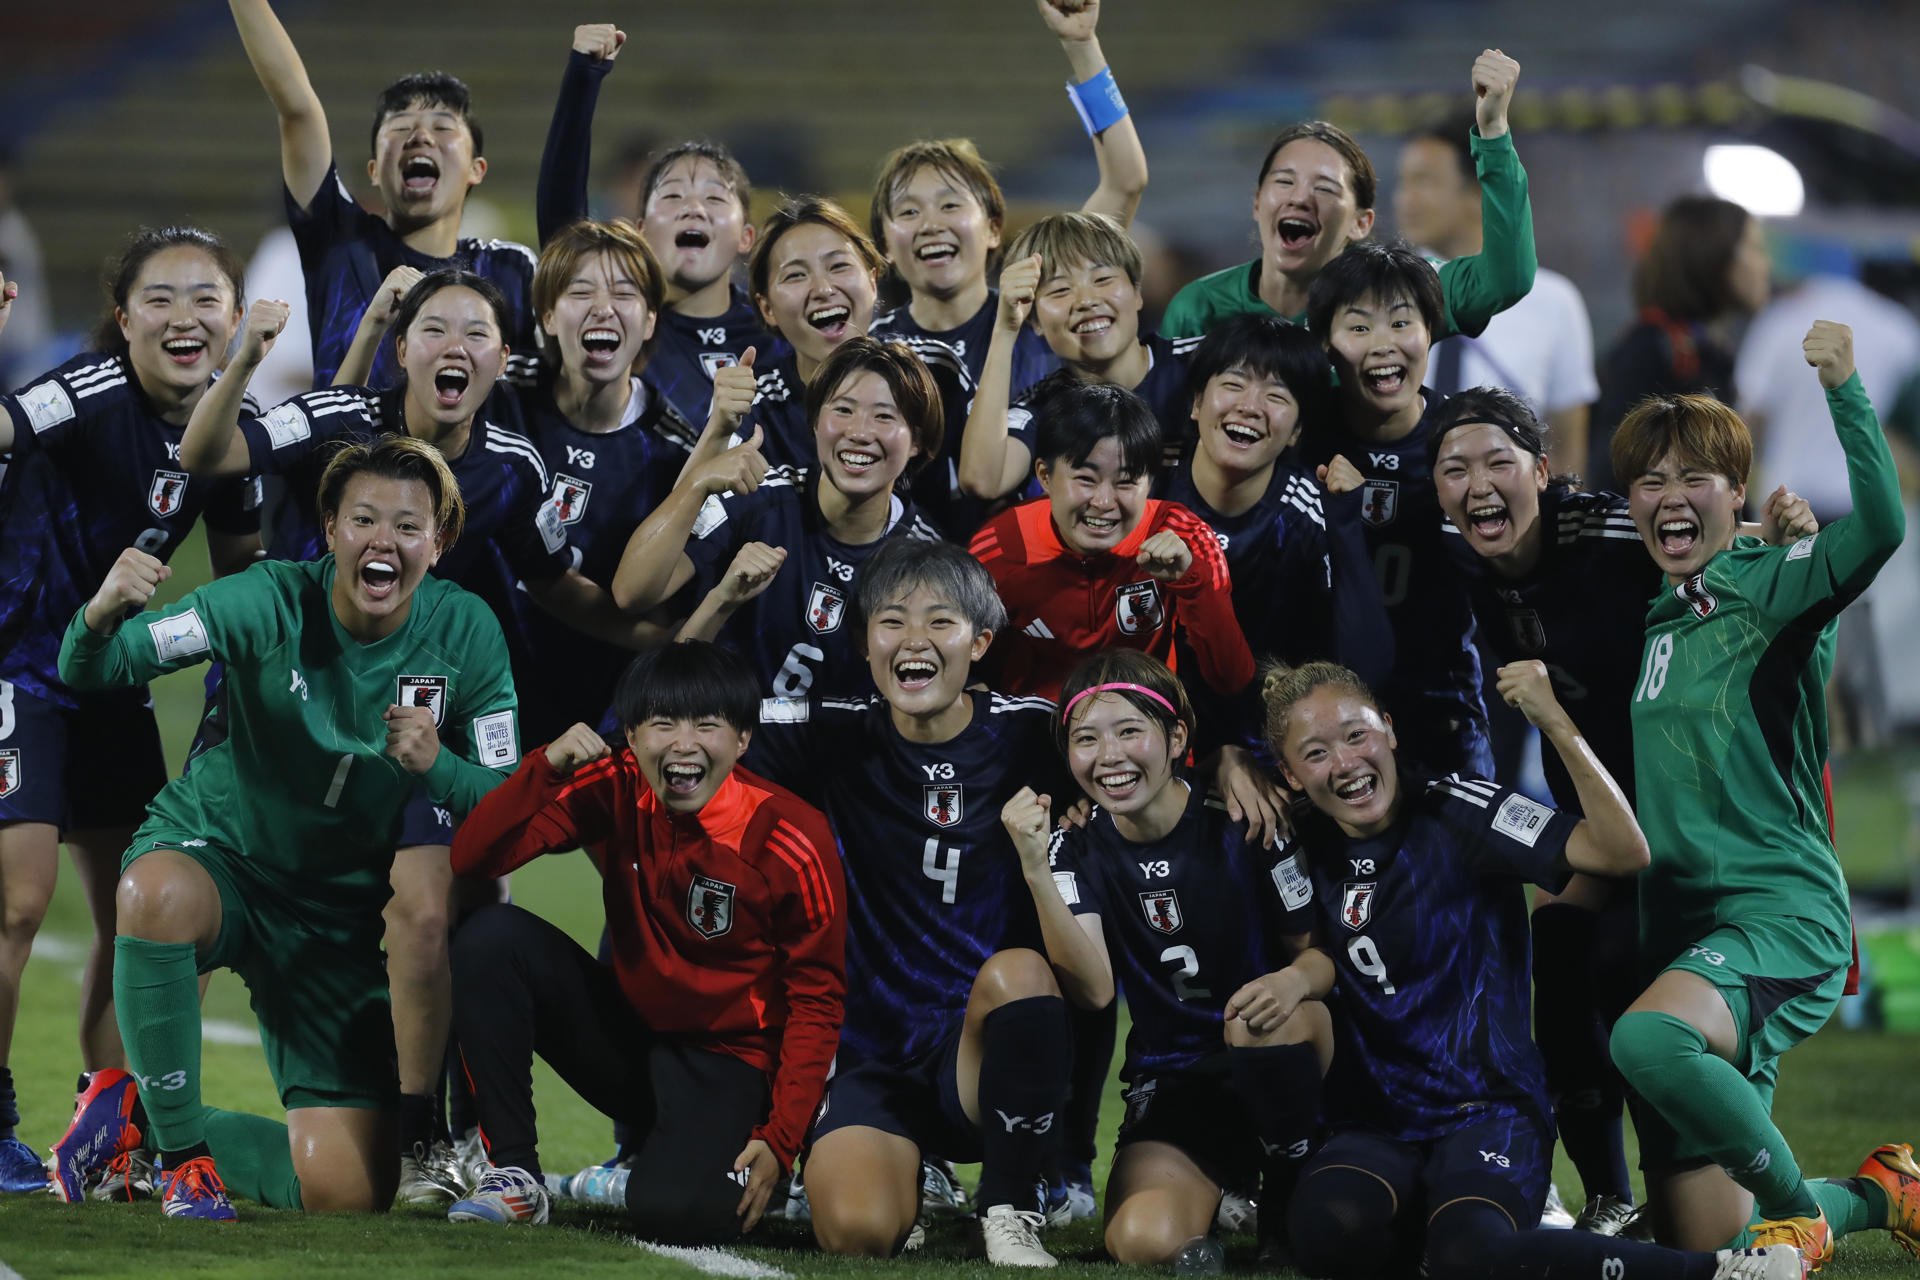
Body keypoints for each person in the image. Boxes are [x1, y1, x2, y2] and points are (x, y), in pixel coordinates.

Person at [178, 267, 655, 1205]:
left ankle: (427, 1134)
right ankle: (134, 1123)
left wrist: (672, 634)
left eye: (477, 333)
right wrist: (244, 360)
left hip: (416, 727)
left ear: (502, 359)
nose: (456, 347)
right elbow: (210, 454)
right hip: (287, 718)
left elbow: (562, 590)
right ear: (403, 348)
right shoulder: (331, 418)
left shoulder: (515, 469)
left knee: (443, 912)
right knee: (181, 908)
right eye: (435, 328)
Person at [44, 435, 518, 1221]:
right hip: (221, 858)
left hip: (332, 917)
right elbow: (97, 668)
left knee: (346, 1192)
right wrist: (97, 617)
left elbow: (502, 803)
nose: (384, 542)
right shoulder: (264, 599)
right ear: (329, 529)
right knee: (151, 892)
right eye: (363, 519)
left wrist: (437, 765)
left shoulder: (467, 634)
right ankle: (183, 1162)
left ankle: (135, 1122)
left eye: (408, 527)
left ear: (439, 545)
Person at [1263, 660, 1811, 1280]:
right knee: (1324, 1229)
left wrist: (1553, 719)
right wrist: (1230, 764)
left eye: (1356, 735)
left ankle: (1719, 1273)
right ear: (1288, 773)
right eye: (1315, 753)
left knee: (1470, 1254)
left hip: (1489, 1109)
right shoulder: (1296, 840)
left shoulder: (1460, 809)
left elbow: (1622, 850)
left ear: (1388, 730)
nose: (1344, 764)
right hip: (1376, 1121)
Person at [1608, 321, 1920, 1267]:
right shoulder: (1666, 615)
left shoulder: (1763, 580)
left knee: (1647, 1043)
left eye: (1693, 477)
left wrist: (1846, 393)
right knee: (1709, 1237)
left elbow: (1882, 528)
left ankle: (1799, 1216)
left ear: (1735, 493)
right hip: (1687, 932)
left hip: (1777, 914)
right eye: (1650, 480)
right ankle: (1884, 1195)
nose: (1669, 496)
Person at [0, 232, 262, 1194]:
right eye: (160, 298)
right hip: (16, 666)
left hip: (113, 678)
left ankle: (102, 1126)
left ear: (237, 317)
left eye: (207, 297)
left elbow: (245, 574)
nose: (184, 316)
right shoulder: (83, 392)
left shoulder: (238, 433)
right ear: (122, 318)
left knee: (141, 915)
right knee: (18, 902)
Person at [741, 537, 1073, 1267]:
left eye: (940, 622)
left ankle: (1014, 1203)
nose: (913, 641)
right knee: (857, 1235)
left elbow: (1136, 750)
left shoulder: (1036, 733)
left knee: (1023, 972)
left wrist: (1234, 761)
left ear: (981, 641)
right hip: (866, 1052)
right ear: (864, 643)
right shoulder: (831, 732)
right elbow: (701, 716)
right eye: (891, 621)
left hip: (978, 1054)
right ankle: (910, 1172)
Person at [442, 641, 844, 1237]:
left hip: (731, 1063)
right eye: (662, 724)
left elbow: (817, 1002)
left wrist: (780, 1140)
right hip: (634, 1042)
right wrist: (544, 767)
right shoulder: (615, 783)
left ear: (742, 740)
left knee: (673, 1214)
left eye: (706, 725)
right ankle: (516, 1176)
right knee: (489, 938)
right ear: (630, 736)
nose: (683, 744)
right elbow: (476, 856)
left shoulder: (790, 837)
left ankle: (745, 1167)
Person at [1004, 650, 1332, 1266]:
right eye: (1086, 739)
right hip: (1177, 1076)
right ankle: (1228, 1185)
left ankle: (1285, 1188)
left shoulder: (1244, 816)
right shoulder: (1074, 846)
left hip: (1277, 1050)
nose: (1110, 756)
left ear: (1177, 735)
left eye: (1130, 731)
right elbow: (1096, 990)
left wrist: (1288, 984)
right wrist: (1035, 868)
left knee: (1264, 1025)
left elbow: (1316, 960)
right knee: (1140, 1241)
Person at [229, 0, 539, 391]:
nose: (420, 136)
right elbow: (297, 108)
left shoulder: (511, 269)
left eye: (443, 128)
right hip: (347, 453)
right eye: (400, 127)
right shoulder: (339, 246)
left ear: (476, 169)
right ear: (375, 171)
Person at [614, 335, 943, 703]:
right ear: (815, 423)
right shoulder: (761, 498)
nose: (859, 433)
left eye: (884, 416)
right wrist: (697, 484)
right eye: (843, 410)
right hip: (720, 741)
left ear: (915, 441)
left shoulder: (926, 559)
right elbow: (632, 593)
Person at [1161, 50, 1533, 341]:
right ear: (1258, 202)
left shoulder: (1398, 293)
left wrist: (1494, 132)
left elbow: (1506, 279)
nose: (1300, 198)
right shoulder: (1199, 309)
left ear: (1361, 222)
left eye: (1325, 187)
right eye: (1285, 181)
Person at [868, 0, 1147, 388]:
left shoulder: (1043, 314)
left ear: (993, 228)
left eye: (950, 205)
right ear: (884, 243)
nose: (931, 224)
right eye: (909, 212)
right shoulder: (867, 351)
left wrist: (1082, 45)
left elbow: (1125, 181)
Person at [1156, 313, 1390, 750]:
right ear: (1195, 403)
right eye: (1233, 384)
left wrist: (1346, 527)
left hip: (1262, 747)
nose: (1250, 405)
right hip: (1155, 737)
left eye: (1277, 395)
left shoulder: (1307, 515)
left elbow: (1365, 669)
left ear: (1296, 431)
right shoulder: (1146, 486)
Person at [535, 24, 782, 433]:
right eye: (672, 196)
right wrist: (582, 80)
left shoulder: (778, 325)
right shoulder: (619, 321)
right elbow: (565, 234)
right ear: (642, 230)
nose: (694, 208)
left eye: (715, 197)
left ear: (746, 237)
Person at [506, 218, 696, 746]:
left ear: (651, 320)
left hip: (603, 715)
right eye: (579, 291)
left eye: (624, 293)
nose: (602, 307)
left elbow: (662, 612)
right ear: (547, 315)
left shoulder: (675, 450)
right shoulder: (499, 399)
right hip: (483, 690)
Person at [1302, 240, 1489, 776]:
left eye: (1402, 323)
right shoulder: (1300, 436)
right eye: (1359, 328)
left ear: (1432, 331)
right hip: (1321, 714)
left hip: (1441, 707)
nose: (1383, 346)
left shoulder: (1468, 440)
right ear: (1326, 343)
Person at [969, 378, 1252, 702]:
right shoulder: (998, 549)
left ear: (1150, 484)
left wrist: (1191, 582)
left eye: (1126, 482)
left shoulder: (1184, 537)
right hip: (1035, 738)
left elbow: (1232, 678)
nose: (1104, 502)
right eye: (1086, 480)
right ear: (1045, 477)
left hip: (1147, 732)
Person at [1393, 109, 1597, 473]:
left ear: (1477, 192)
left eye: (1423, 182)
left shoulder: (1553, 301)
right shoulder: (1382, 291)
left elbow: (1567, 446)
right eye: (1403, 183)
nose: (1405, 200)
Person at [965, 213, 1201, 487]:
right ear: (1036, 322)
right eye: (1060, 290)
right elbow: (983, 481)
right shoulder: (1045, 408)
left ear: (1137, 293)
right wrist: (1005, 330)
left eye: (1102, 279)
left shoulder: (1207, 365)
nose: (1086, 301)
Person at [1591, 195, 1769, 483]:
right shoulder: (1650, 352)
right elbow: (1615, 477)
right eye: (1755, 248)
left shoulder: (1709, 351)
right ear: (1712, 254)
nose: (1766, 264)